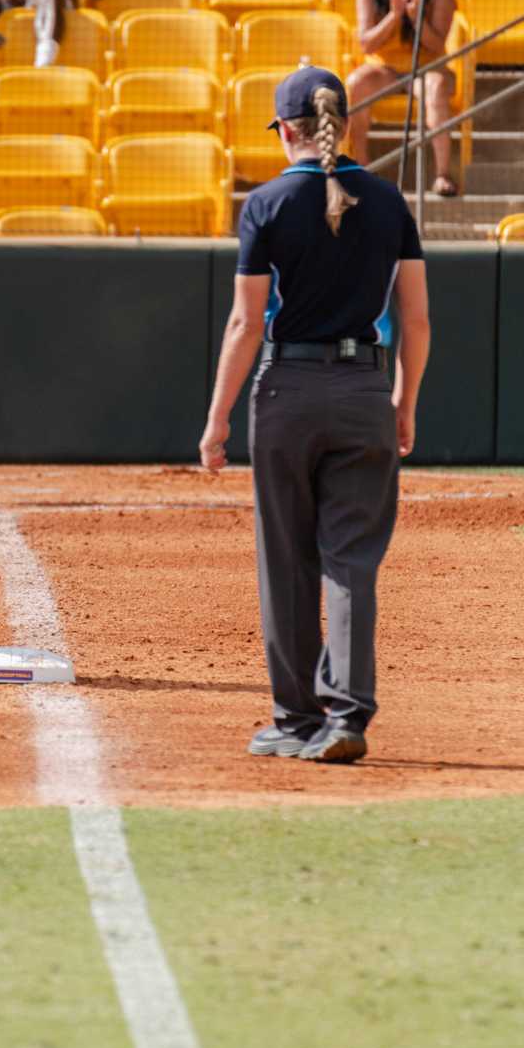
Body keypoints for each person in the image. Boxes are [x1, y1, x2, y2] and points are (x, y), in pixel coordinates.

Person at [198, 66, 429, 765]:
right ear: (347, 123)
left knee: (286, 557)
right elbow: (416, 319)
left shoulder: (266, 202)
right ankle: (348, 714)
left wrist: (216, 421)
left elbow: (244, 323)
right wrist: (404, 400)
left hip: (287, 390)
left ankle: (296, 718)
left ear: (287, 130)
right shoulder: (389, 201)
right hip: (364, 386)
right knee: (350, 557)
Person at [345, 0, 461, 194]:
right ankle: (361, 167)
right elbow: (366, 44)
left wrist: (416, 19)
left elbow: (436, 45)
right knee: (355, 84)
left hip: (425, 67)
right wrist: (395, 16)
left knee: (436, 88)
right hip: (385, 69)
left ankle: (443, 174)